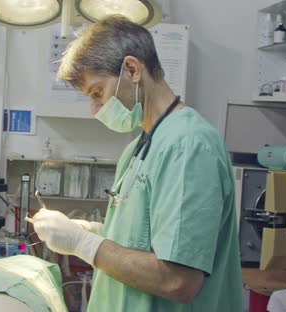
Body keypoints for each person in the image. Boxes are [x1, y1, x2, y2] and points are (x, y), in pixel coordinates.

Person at [27, 15, 244, 311]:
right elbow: (142, 242)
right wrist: (90, 231)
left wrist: (82, 243)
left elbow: (177, 280)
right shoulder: (138, 148)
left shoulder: (188, 145)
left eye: (97, 92)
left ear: (132, 69)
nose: (95, 109)